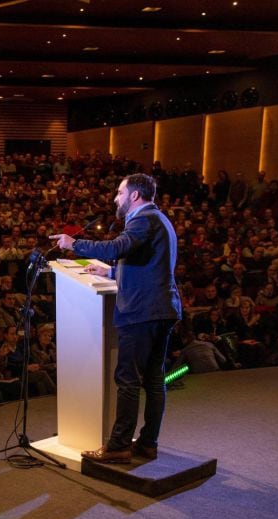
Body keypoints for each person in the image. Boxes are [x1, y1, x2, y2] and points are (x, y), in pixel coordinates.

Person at [51, 173, 182, 463]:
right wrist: (111, 273)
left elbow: (117, 248)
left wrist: (76, 243)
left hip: (141, 311)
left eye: (120, 193)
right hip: (160, 309)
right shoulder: (160, 220)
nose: (115, 198)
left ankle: (119, 446)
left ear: (135, 195)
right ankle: (147, 443)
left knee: (128, 380)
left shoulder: (142, 219)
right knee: (153, 379)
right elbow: (148, 264)